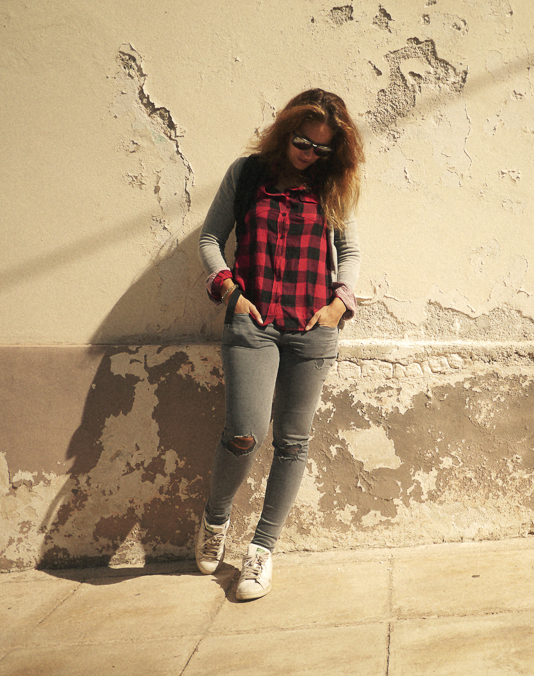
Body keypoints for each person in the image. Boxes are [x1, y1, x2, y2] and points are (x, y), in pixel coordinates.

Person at [194, 89, 363, 600]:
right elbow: (210, 239)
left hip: (312, 328)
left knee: (292, 442)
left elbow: (350, 251)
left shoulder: (331, 184)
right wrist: (229, 291)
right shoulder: (248, 175)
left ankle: (261, 550)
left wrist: (338, 305)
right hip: (254, 324)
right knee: (244, 433)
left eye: (322, 148)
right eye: (303, 143)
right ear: (285, 131)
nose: (310, 154)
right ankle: (215, 518)